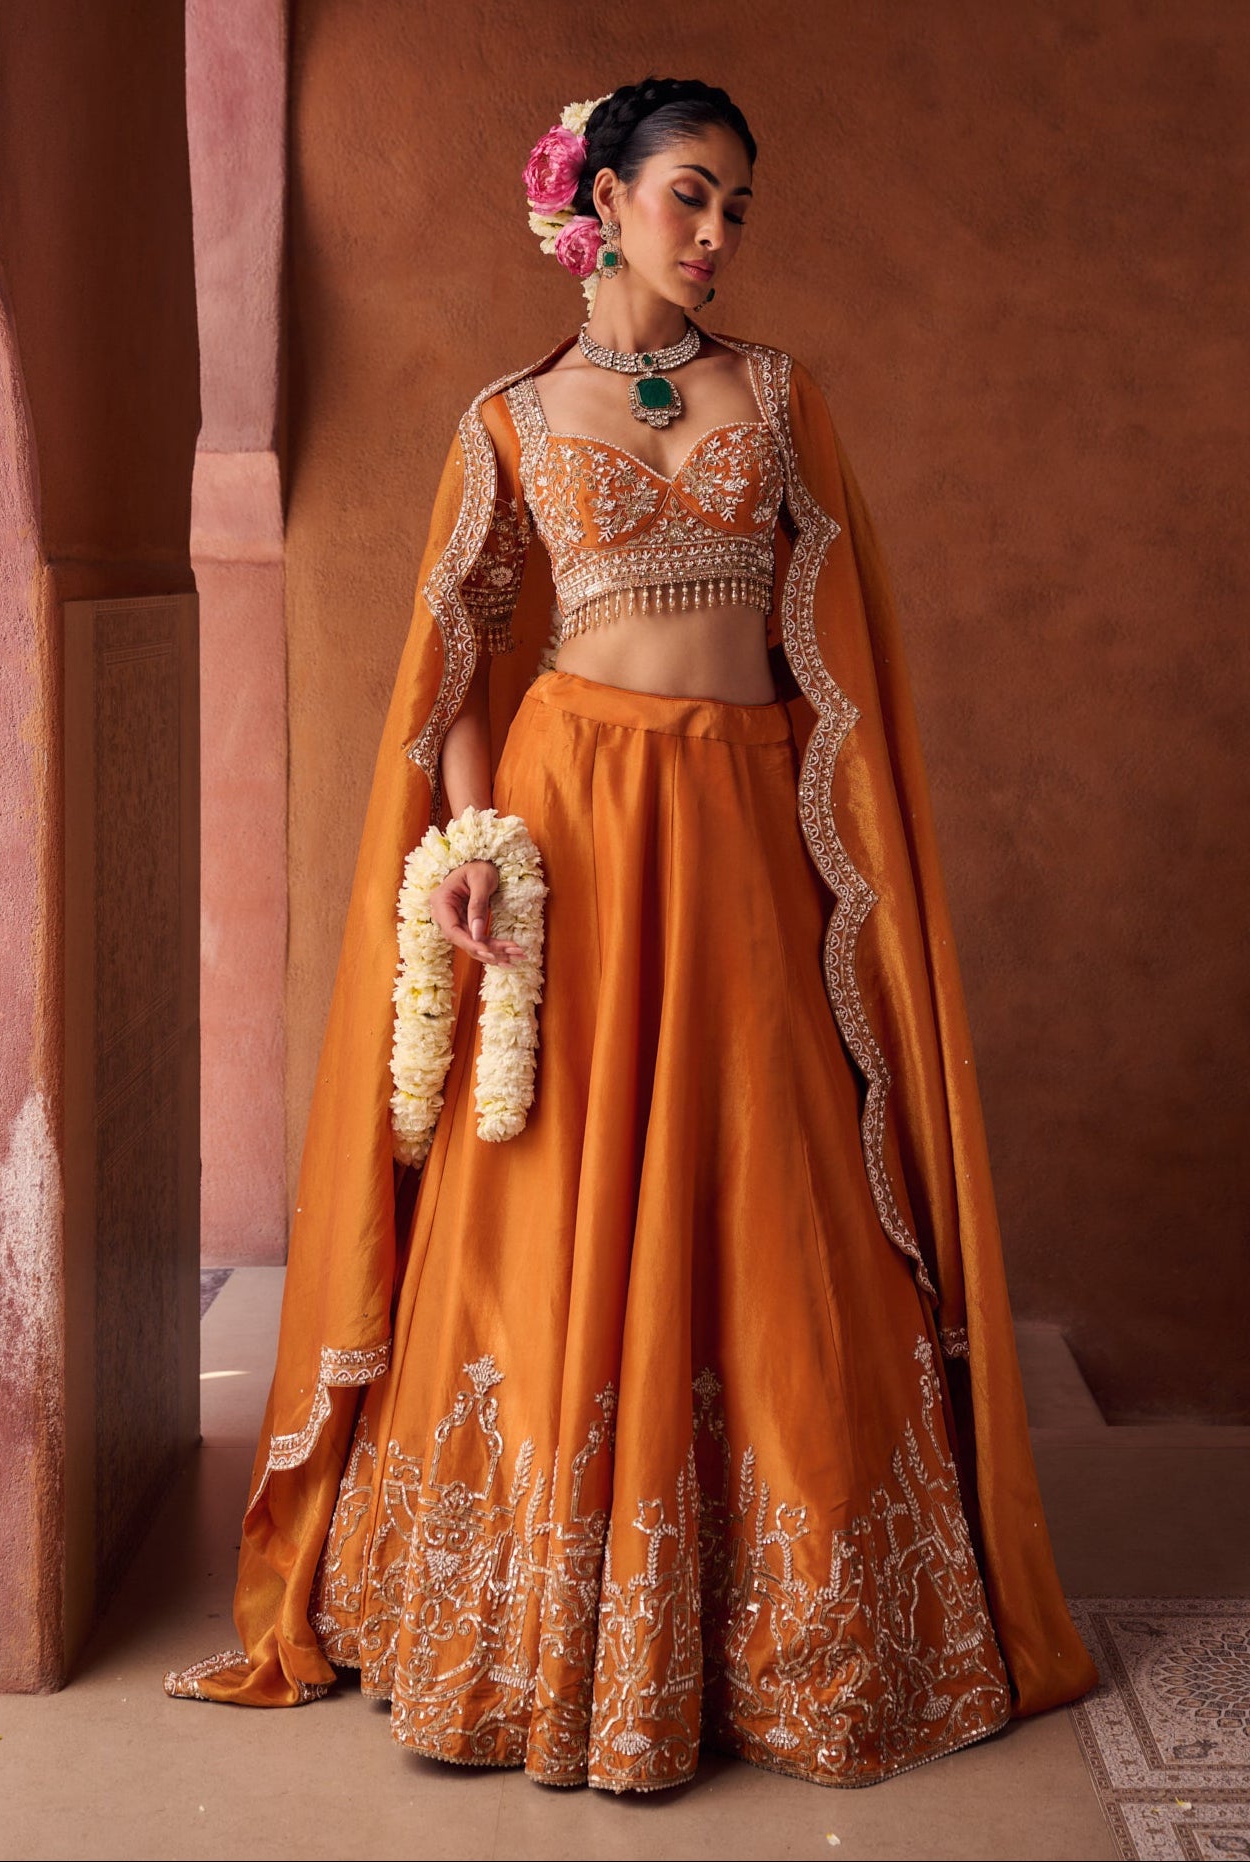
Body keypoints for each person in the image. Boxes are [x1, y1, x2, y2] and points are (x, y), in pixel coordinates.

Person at [165, 75, 1097, 1794]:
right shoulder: (505, 420)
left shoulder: (784, 400)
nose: (720, 233)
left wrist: (847, 853)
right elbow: (455, 660)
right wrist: (472, 844)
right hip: (575, 843)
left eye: (739, 203)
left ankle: (773, 1626)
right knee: (560, 1194)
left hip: (743, 833)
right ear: (598, 199)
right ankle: (537, 1626)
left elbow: (850, 654)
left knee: (768, 1192)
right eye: (690, 194)